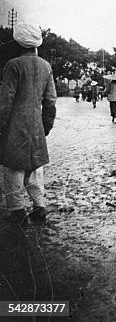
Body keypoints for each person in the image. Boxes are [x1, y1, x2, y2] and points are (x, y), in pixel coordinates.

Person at [0, 23, 56, 226]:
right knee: (35, 169)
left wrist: (2, 126)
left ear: (18, 43)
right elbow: (50, 101)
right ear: (37, 44)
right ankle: (39, 207)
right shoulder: (46, 66)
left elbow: (5, 101)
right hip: (36, 126)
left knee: (13, 171)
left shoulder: (13, 65)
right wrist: (46, 126)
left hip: (15, 126)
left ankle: (17, 212)